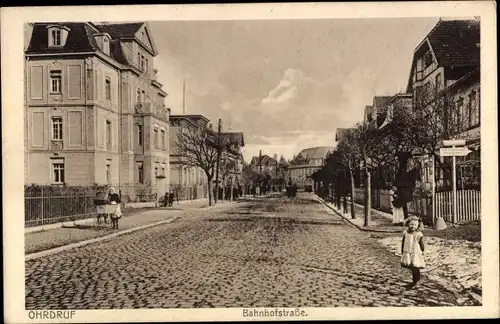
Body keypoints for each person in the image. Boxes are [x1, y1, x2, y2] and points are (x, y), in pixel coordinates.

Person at [401, 216, 426, 288]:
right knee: (411, 266)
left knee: (415, 266)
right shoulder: (406, 233)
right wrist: (402, 250)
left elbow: (421, 243)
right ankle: (415, 279)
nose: (413, 226)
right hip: (408, 251)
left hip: (415, 252)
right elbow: (403, 242)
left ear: (418, 225)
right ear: (408, 224)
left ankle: (416, 280)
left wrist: (422, 250)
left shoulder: (418, 234)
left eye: (415, 225)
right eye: (411, 224)